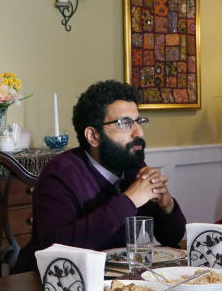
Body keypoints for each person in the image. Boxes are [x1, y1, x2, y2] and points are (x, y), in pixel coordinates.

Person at [15, 80, 186, 273]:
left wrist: (167, 206)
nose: (139, 132)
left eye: (139, 121)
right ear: (93, 136)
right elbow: (55, 251)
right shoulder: (59, 174)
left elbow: (171, 238)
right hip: (46, 287)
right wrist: (128, 201)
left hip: (116, 280)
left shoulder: (132, 167)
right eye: (125, 124)